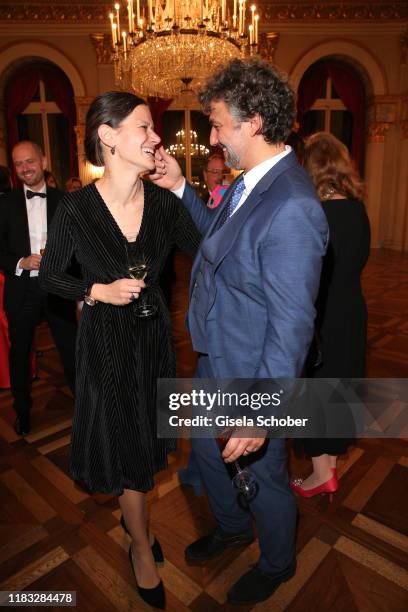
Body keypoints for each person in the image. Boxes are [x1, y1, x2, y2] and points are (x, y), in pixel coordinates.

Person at [152, 58, 328, 605]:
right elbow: (216, 242)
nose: (211, 135)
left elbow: (292, 324)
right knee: (206, 457)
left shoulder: (293, 204)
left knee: (266, 478)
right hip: (217, 359)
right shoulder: (250, 183)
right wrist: (182, 186)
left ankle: (277, 563)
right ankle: (231, 528)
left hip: (253, 374)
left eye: (218, 123)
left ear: (253, 122)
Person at [39, 91, 200, 610]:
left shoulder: (161, 204)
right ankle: (139, 546)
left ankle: (138, 527)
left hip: (153, 342)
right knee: (127, 446)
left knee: (148, 444)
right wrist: (94, 291)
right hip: (106, 343)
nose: (157, 138)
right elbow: (50, 275)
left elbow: (210, 245)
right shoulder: (77, 209)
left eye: (154, 128)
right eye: (144, 127)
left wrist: (181, 184)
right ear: (107, 136)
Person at [291, 132, 370, 498]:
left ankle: (322, 474)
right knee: (340, 387)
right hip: (352, 309)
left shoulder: (314, 214)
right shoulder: (357, 209)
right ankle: (331, 467)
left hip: (322, 314)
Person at [0, 141, 77, 436]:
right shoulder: (5, 203)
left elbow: (78, 247)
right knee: (19, 353)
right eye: (18, 164)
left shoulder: (66, 201)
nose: (24, 169)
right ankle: (22, 411)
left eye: (30, 161)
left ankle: (84, 408)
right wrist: (21, 261)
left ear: (43, 161)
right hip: (22, 290)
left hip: (57, 288)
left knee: (70, 350)